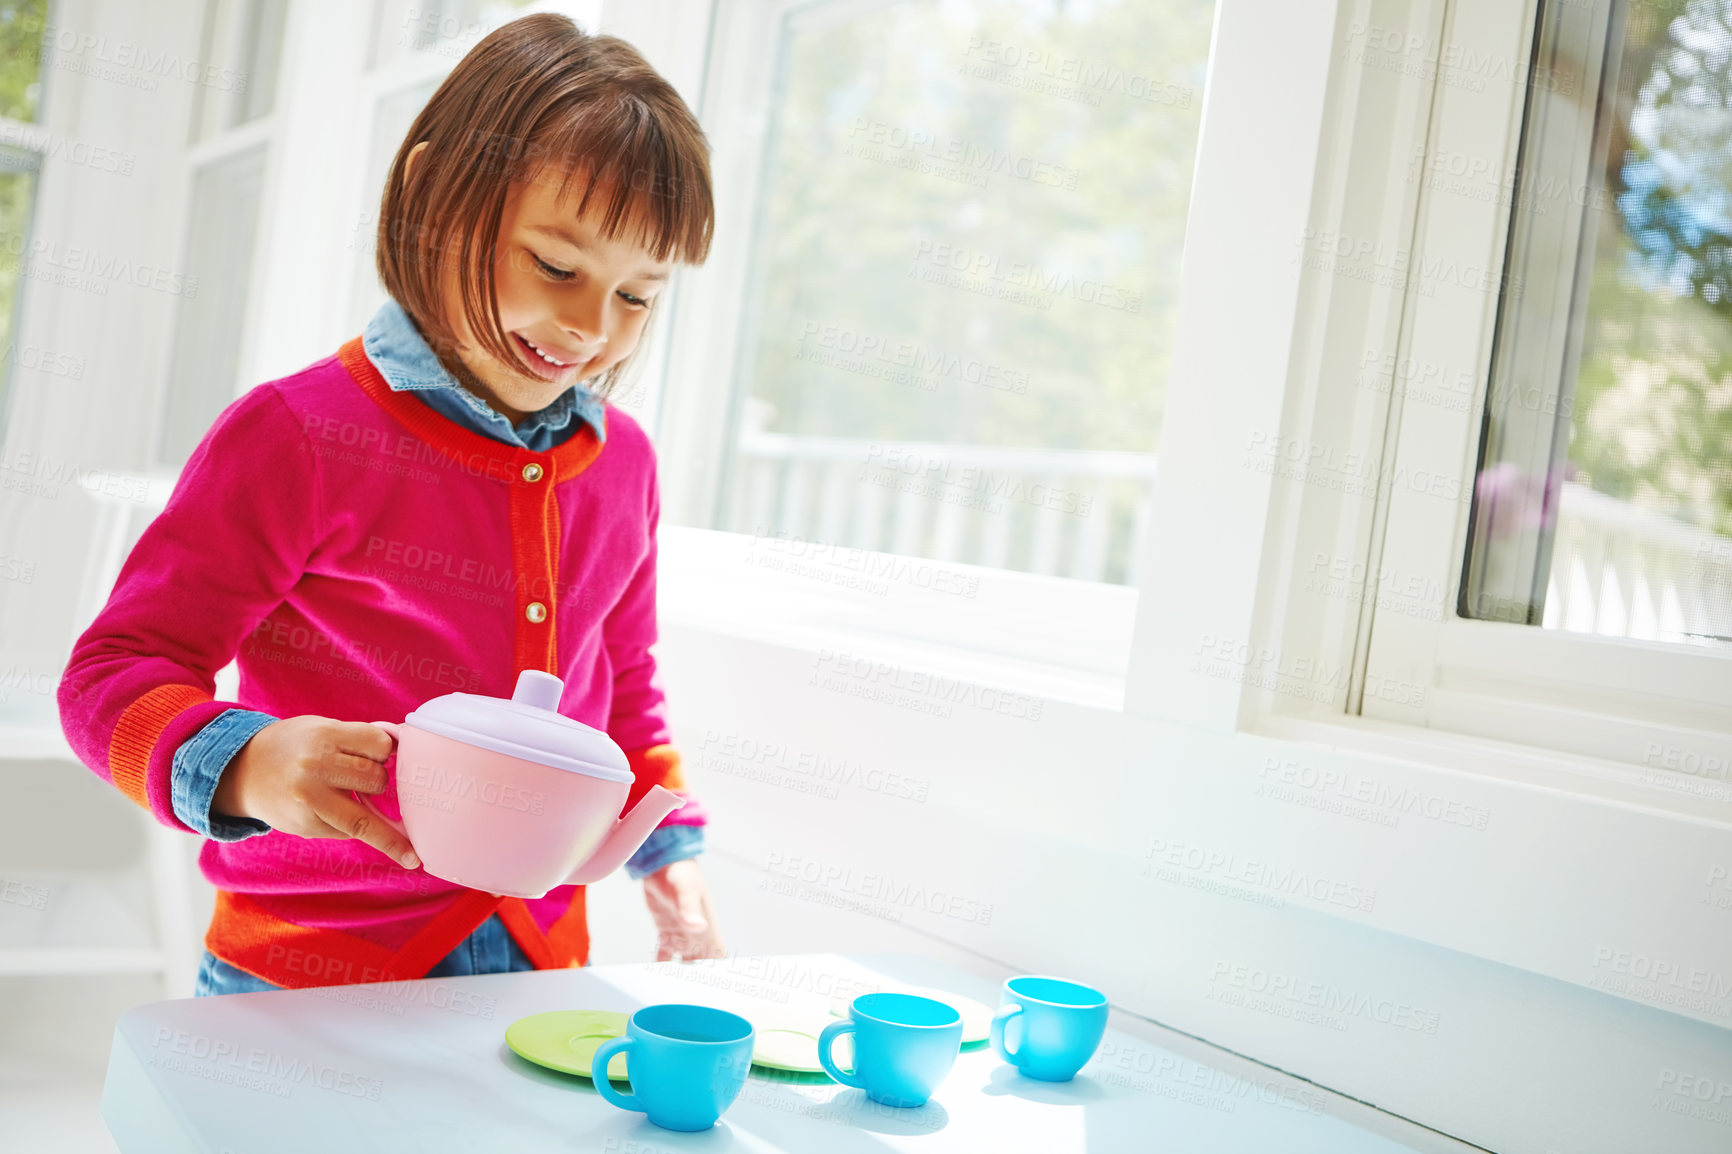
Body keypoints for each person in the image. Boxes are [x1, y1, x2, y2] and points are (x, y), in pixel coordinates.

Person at [56, 13, 725, 995]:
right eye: (557, 265)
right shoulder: (297, 434)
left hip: (537, 964)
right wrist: (247, 762)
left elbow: (624, 695)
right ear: (431, 200)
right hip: (302, 970)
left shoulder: (623, 464)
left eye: (638, 296)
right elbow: (107, 677)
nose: (590, 328)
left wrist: (670, 861)